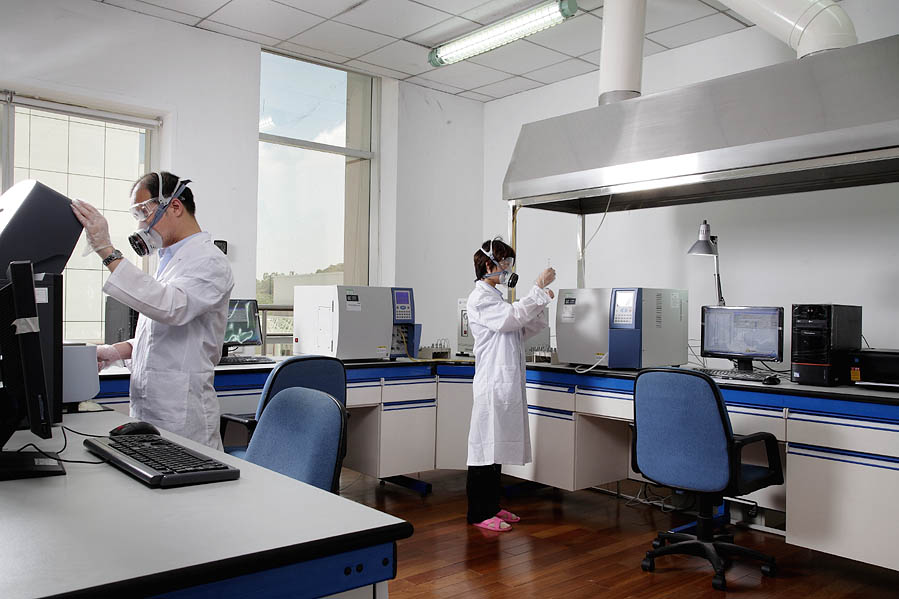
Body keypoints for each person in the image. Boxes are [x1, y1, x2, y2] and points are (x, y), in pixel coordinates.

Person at [71, 172, 234, 450]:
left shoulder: (210, 261)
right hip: (151, 410)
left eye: (144, 212)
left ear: (175, 206)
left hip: (183, 416)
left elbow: (170, 308)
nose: (141, 224)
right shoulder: (169, 261)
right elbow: (160, 336)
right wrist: (116, 351)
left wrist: (107, 250)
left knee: (187, 475)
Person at [466, 238, 556, 532]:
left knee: (496, 447)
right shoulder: (480, 298)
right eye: (504, 263)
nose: (507, 268)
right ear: (488, 265)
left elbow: (520, 328)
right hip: (492, 382)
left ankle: (492, 507)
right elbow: (510, 319)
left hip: (503, 382)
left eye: (509, 263)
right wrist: (537, 288)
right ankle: (478, 513)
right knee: (484, 449)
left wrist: (540, 303)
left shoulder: (496, 298)